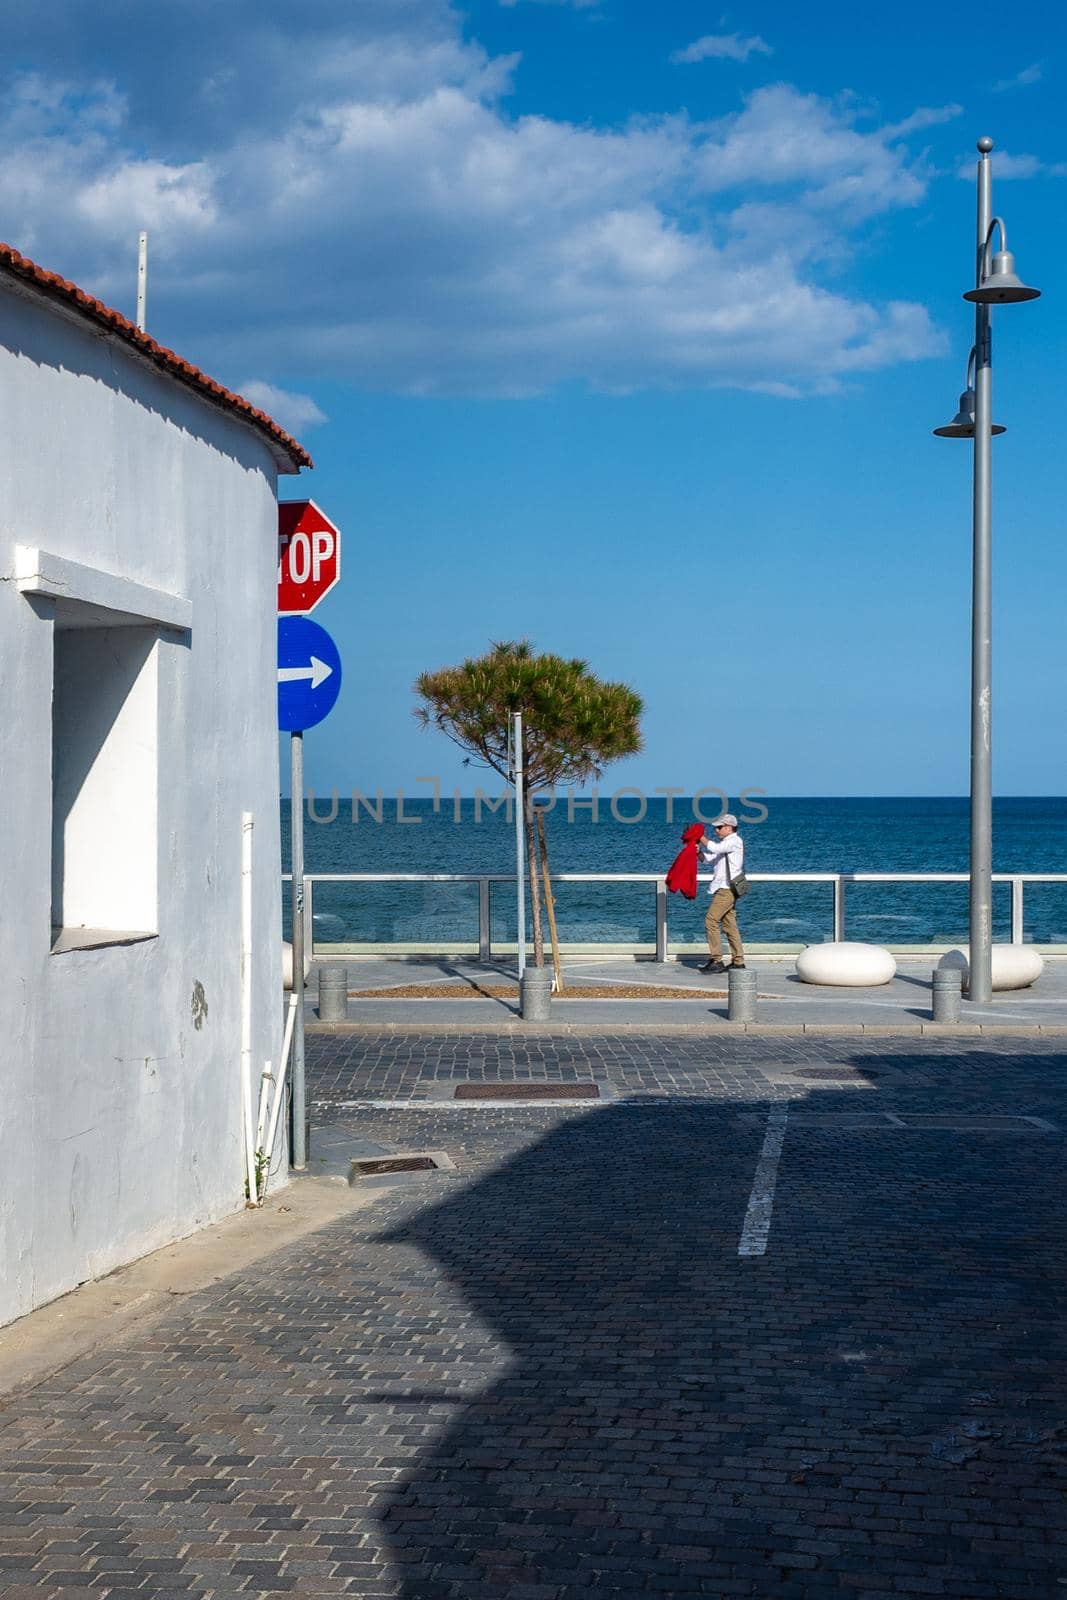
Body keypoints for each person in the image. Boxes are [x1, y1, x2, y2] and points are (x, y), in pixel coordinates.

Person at [698, 813, 745, 974]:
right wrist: (699, 852)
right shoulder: (726, 843)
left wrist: (701, 837)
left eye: (719, 827)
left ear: (728, 827)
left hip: (726, 889)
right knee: (729, 925)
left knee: (710, 920)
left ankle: (716, 959)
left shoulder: (734, 842)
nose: (716, 830)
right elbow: (710, 859)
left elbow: (714, 848)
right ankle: (738, 961)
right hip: (724, 888)